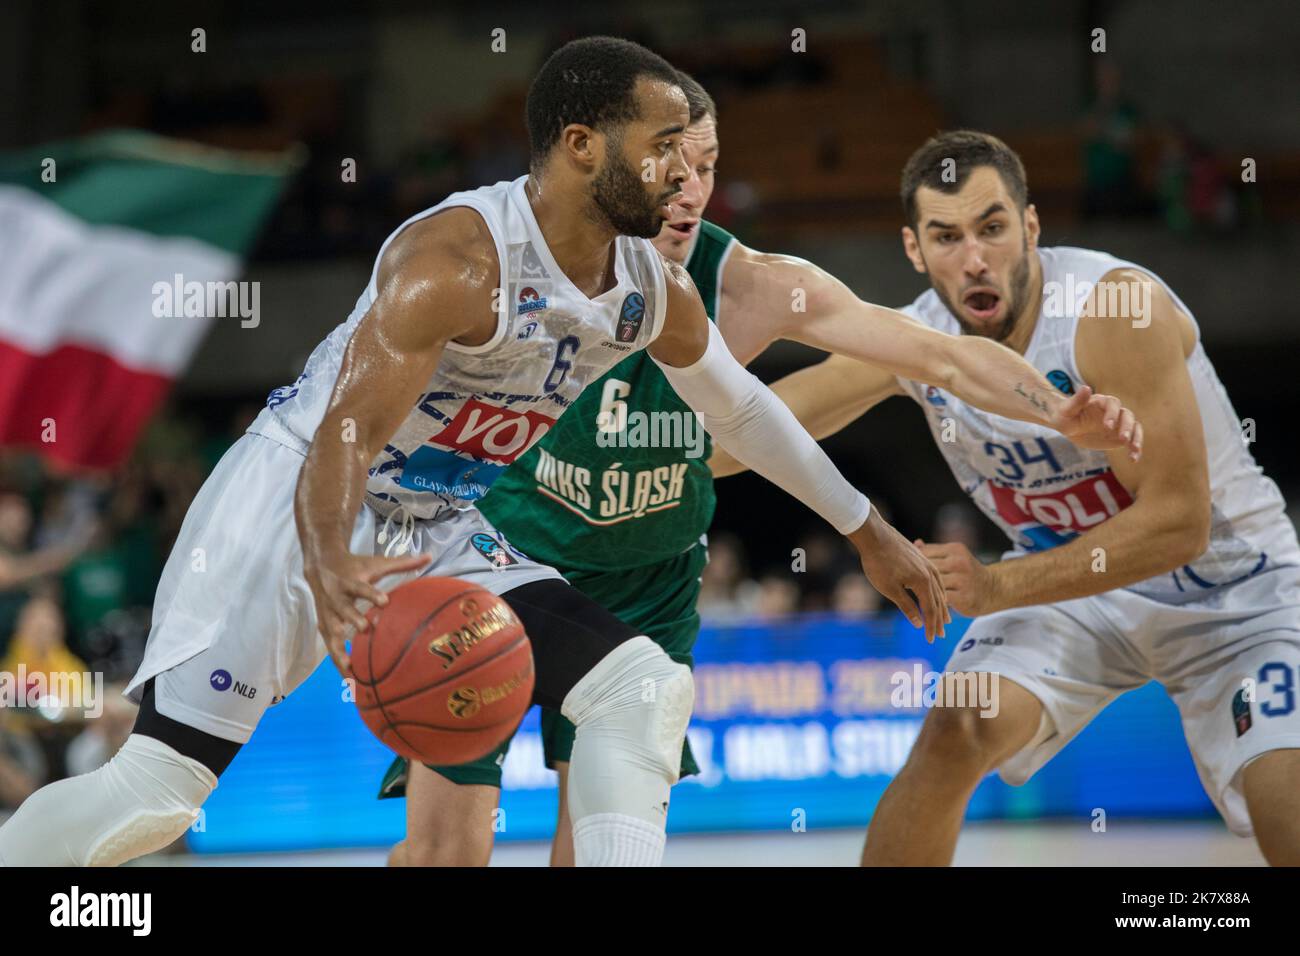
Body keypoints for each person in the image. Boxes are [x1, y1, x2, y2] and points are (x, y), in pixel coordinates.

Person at [0, 36, 949, 868]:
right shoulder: (456, 263)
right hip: (295, 497)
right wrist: (327, 554)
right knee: (158, 795)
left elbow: (740, 413)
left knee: (640, 688)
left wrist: (867, 529)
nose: (682, 173)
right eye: (662, 147)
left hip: (436, 519)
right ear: (583, 145)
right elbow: (343, 432)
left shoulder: (651, 288)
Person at [384, 77, 1141, 867]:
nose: (689, 188)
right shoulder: (532, 265)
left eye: (707, 165)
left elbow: (940, 354)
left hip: (645, 587)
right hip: (503, 564)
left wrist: (1057, 407)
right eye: (668, 163)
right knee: (444, 855)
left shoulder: (752, 286)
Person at [713, 130, 1300, 867]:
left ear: (1030, 226)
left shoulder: (1114, 308)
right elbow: (755, 426)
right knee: (955, 731)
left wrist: (996, 586)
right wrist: (644, 450)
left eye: (991, 228)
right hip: (1075, 595)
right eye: (946, 237)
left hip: (1234, 591)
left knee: (1286, 807)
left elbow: (1180, 525)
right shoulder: (917, 341)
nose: (974, 258)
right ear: (914, 249)